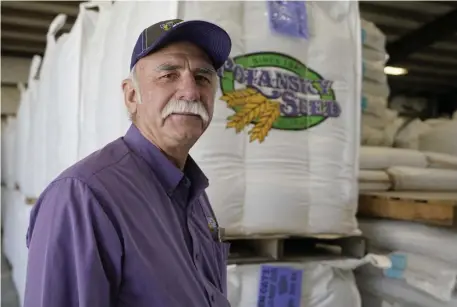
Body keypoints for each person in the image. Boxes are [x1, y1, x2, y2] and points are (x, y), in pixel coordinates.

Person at [23, 18, 232, 307]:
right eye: (169, 75)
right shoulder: (83, 197)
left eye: (203, 78)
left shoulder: (194, 194)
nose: (191, 91)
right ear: (132, 96)